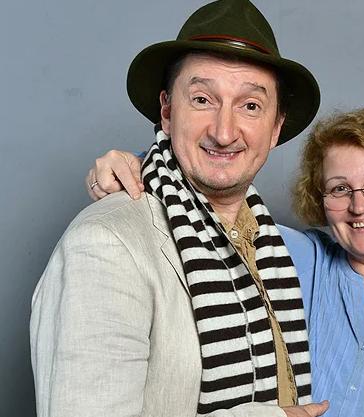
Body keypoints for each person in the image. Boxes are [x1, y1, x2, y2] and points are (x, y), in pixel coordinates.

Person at [90, 108, 364, 416]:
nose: (360, 205)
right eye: (339, 188)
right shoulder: (297, 261)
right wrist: (136, 164)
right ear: (320, 199)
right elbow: (210, 199)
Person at [30, 1, 329, 416]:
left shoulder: (274, 248)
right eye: (203, 99)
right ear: (168, 112)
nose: (224, 132)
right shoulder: (104, 245)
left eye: (250, 106)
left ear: (276, 128)